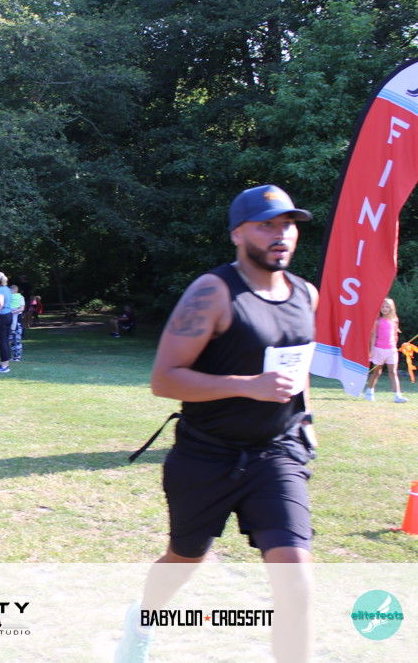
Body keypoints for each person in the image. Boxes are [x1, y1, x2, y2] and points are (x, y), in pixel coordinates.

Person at [116, 185, 318, 663]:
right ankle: (142, 622)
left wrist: (306, 419)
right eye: (266, 225)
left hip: (276, 454)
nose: (281, 235)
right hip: (206, 455)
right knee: (186, 559)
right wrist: (249, 386)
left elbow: (297, 367)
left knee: (296, 580)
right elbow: (165, 379)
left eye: (288, 225)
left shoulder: (306, 294)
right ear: (237, 233)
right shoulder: (213, 292)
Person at [364, 297, 407, 403]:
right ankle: (369, 391)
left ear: (391, 308)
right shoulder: (378, 321)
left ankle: (398, 396)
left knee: (393, 372)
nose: (384, 309)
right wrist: (371, 350)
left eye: (387, 307)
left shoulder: (394, 321)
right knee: (377, 372)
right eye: (382, 307)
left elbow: (395, 335)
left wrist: (395, 347)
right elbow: (373, 336)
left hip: (391, 350)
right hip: (379, 349)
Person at [9, 284, 26, 362]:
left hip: (13, 321)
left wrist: (12, 312)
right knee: (15, 340)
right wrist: (15, 311)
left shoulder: (11, 297)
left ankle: (16, 356)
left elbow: (22, 309)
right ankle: (16, 356)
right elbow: (22, 308)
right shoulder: (21, 297)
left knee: (14, 340)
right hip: (16, 321)